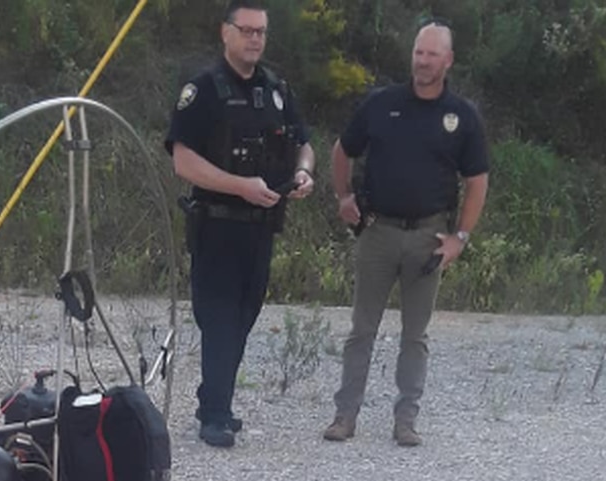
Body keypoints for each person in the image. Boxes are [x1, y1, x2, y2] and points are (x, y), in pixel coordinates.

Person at [323, 20, 489, 447]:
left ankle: (406, 420)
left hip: (428, 237)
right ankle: (345, 415)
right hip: (378, 231)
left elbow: (477, 181)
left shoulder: (462, 117)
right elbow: (343, 149)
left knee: (415, 335)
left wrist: (460, 239)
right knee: (362, 329)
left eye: (432, 54)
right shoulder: (382, 104)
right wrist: (344, 197)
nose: (423, 61)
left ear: (448, 60)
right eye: (419, 52)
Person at [166, 0, 316, 449]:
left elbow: (304, 143)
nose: (255, 39)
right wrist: (238, 185)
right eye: (246, 30)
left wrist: (305, 172)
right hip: (217, 224)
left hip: (261, 225)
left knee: (244, 316)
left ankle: (216, 402)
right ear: (225, 33)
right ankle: (214, 414)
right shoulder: (204, 89)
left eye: (261, 32)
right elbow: (183, 161)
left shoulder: (275, 88)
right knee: (218, 319)